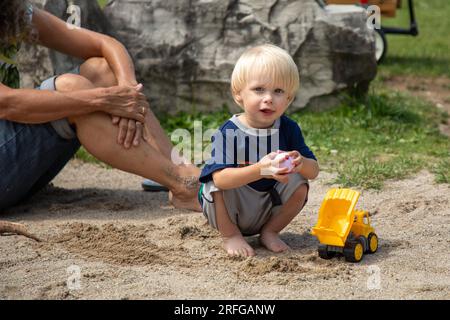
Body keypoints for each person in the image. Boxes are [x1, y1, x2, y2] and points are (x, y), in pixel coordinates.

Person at [0, 1, 201, 212]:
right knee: (72, 87)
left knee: (103, 70)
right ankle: (183, 185)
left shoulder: (14, 11)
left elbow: (106, 44)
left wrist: (127, 92)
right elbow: (7, 103)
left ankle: (183, 170)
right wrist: (104, 99)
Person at [198, 44, 320, 257]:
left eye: (279, 91)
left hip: (268, 203)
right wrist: (260, 169)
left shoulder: (288, 128)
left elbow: (314, 171)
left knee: (300, 183)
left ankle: (270, 231)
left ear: (289, 99)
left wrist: (301, 163)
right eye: (259, 89)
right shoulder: (229, 132)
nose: (269, 98)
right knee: (211, 185)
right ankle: (231, 236)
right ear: (239, 94)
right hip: (232, 208)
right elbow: (221, 180)